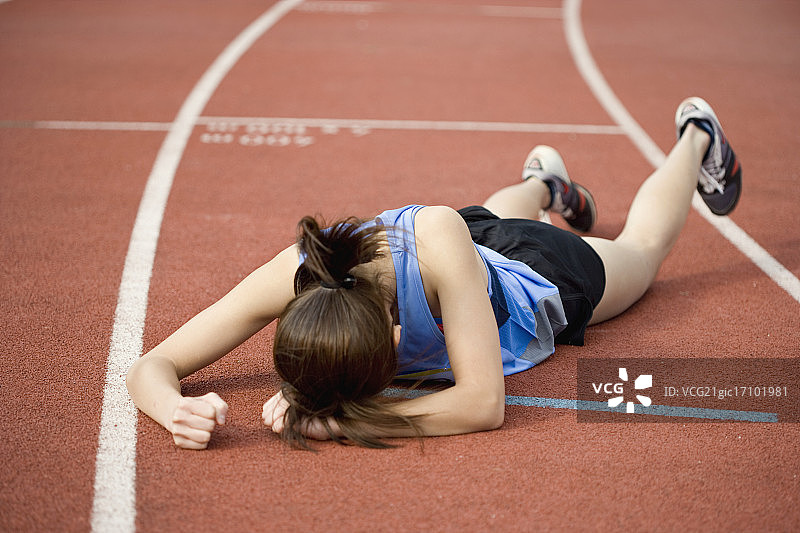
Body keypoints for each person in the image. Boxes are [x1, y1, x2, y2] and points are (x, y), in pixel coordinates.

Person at [126, 97, 742, 450]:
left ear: (390, 327)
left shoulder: (435, 242)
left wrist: (341, 421)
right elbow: (152, 365)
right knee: (502, 214)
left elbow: (483, 404)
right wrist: (169, 407)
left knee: (641, 250)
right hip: (469, 246)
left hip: (532, 278)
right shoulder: (299, 273)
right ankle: (544, 183)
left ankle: (696, 138)